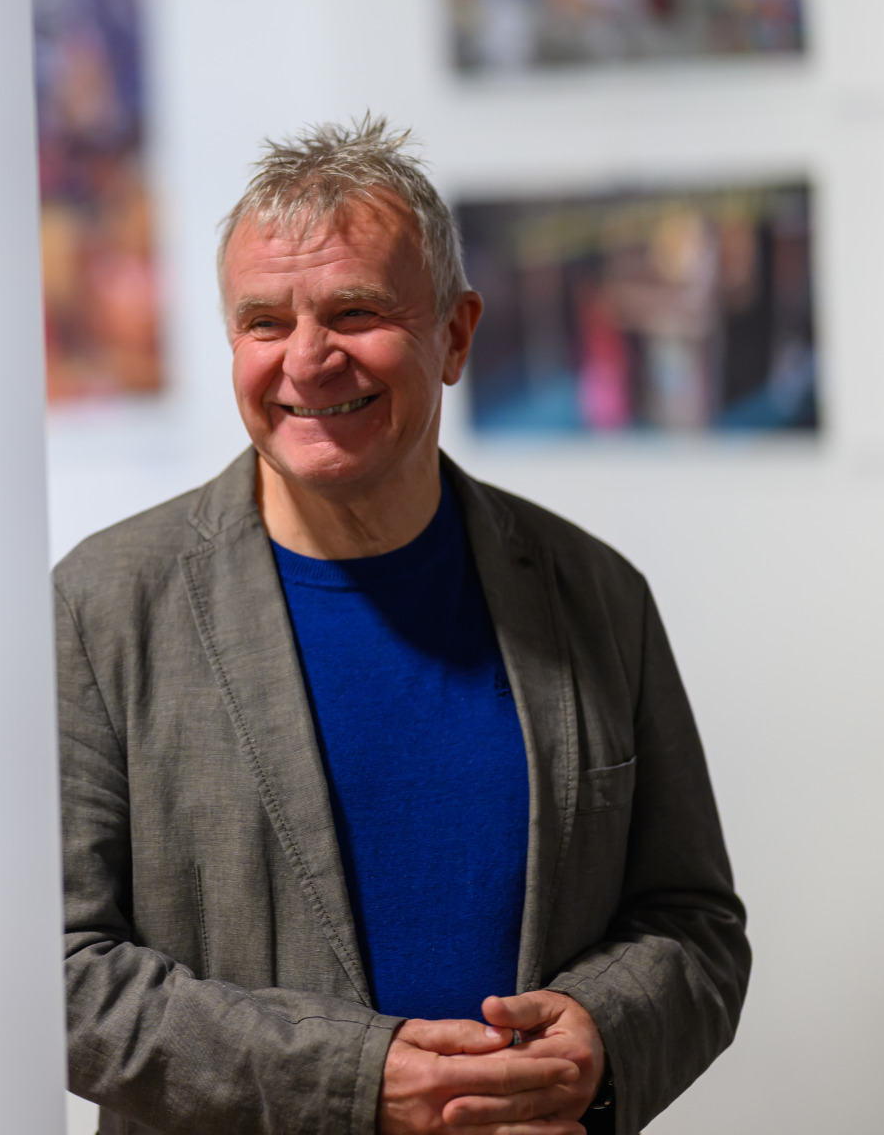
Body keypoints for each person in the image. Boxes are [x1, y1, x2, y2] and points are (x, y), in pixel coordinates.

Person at [56, 118, 748, 1135]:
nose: (307, 360)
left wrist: (604, 1036)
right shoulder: (103, 606)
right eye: (264, 321)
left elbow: (693, 925)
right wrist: (352, 1082)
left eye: (355, 310)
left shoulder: (597, 595)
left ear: (456, 335)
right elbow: (62, 972)